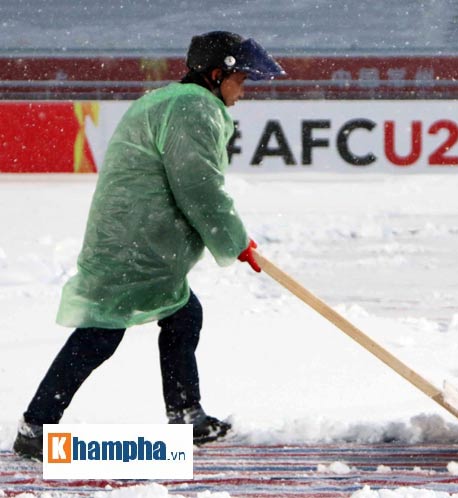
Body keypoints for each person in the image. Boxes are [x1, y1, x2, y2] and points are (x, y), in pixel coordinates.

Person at [13, 31, 285, 460]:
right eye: (242, 81)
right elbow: (198, 186)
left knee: (181, 315)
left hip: (136, 238)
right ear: (218, 75)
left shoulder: (168, 100)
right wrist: (234, 241)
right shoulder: (194, 107)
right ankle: (37, 426)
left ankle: (185, 415)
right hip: (137, 244)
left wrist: (232, 239)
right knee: (100, 334)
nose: (244, 91)